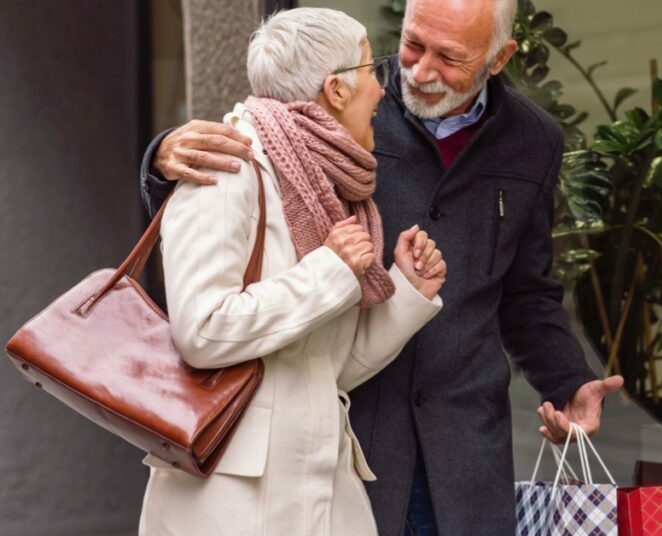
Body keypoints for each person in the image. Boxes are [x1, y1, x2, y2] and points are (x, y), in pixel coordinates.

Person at [139, 1, 624, 534]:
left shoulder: (534, 141)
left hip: (465, 450)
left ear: (499, 57)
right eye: (413, 44)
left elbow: (528, 292)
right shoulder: (342, 110)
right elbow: (235, 188)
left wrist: (567, 381)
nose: (418, 71)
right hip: (352, 441)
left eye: (450, 57)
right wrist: (161, 159)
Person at [138, 8, 445, 535]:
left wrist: (406, 296)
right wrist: (330, 271)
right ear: (337, 90)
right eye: (373, 69)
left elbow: (328, 368)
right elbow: (201, 331)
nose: (383, 91)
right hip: (234, 502)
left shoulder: (330, 189)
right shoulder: (230, 168)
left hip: (323, 491)